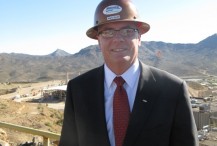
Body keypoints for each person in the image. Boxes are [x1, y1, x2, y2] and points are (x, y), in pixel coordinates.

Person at [59, 0, 198, 146]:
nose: (118, 39)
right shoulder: (78, 89)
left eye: (127, 31)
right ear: (98, 41)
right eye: (107, 32)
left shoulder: (173, 89)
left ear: (139, 38)